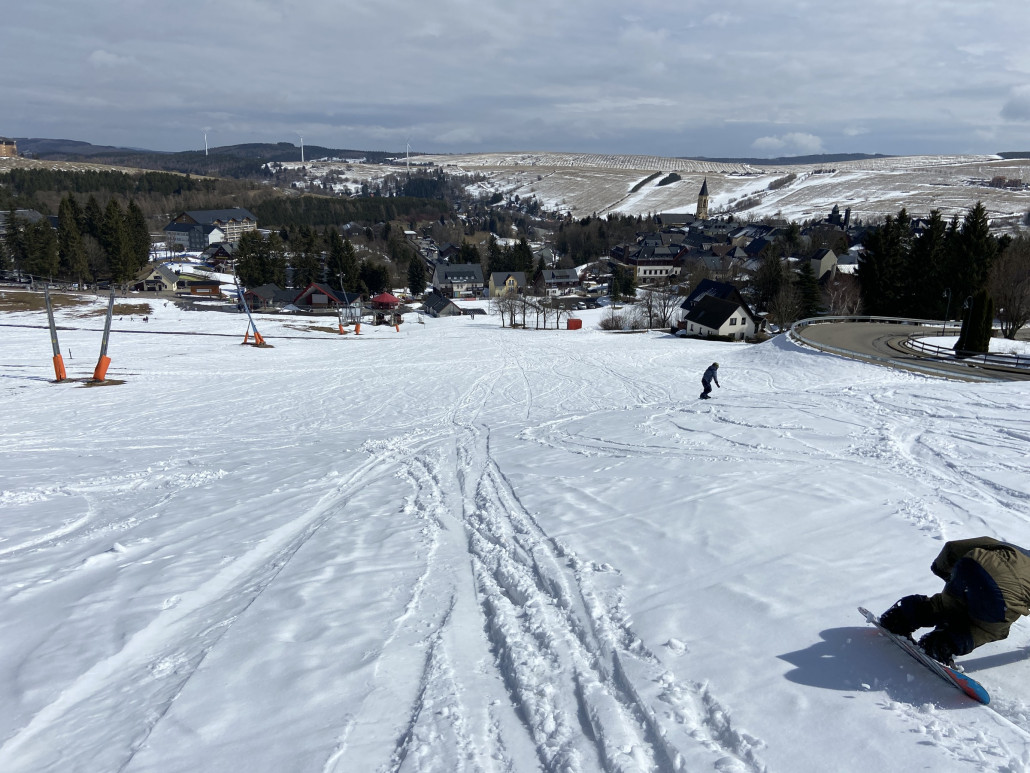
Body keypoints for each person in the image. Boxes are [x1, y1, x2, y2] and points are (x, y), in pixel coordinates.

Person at [879, 537, 1030, 664]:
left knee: (948, 604)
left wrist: (943, 570)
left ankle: (900, 617)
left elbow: (953, 547)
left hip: (971, 565)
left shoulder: (1016, 551)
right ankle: (941, 645)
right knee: (990, 629)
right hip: (1004, 592)